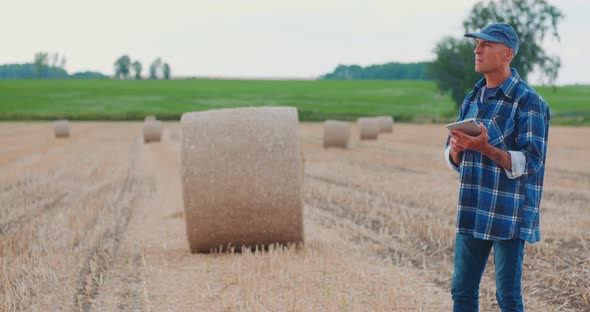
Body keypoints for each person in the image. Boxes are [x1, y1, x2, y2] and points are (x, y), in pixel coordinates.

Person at [444, 22, 550, 311]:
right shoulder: (472, 99)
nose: (478, 49)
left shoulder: (529, 102)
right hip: (473, 205)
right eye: (477, 44)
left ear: (507, 54)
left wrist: (486, 149)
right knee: (461, 291)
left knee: (507, 297)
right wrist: (456, 151)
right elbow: (452, 158)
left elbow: (532, 162)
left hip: (508, 213)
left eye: (486, 44)